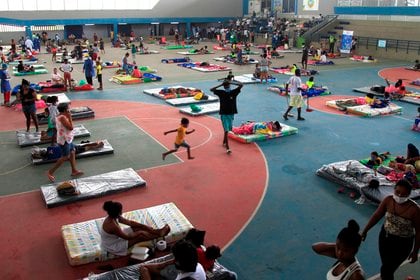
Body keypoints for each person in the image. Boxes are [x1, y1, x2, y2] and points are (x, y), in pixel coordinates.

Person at [361, 179, 420, 280]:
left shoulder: (415, 209)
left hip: (403, 244)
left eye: (404, 194)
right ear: (394, 189)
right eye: (398, 192)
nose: (400, 196)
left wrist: (415, 251)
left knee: (386, 270)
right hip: (385, 238)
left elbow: (419, 232)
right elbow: (377, 215)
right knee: (386, 267)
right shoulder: (388, 200)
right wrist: (365, 230)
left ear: (409, 194)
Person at [100, 201, 171, 256]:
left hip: (117, 237)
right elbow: (127, 237)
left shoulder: (114, 216)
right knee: (140, 236)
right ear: (118, 212)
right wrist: (140, 232)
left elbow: (130, 222)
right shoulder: (112, 225)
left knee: (137, 227)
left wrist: (143, 226)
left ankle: (158, 232)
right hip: (113, 245)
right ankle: (160, 234)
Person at [46, 103, 83, 182]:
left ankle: (74, 170)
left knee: (72, 152)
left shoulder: (59, 115)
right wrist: (70, 117)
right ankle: (50, 172)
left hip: (67, 138)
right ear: (65, 110)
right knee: (65, 157)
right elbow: (71, 127)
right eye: (68, 109)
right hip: (64, 140)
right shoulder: (63, 117)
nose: (69, 110)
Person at [210, 80, 243, 154]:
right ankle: (228, 148)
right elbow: (211, 89)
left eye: (227, 86)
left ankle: (224, 142)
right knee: (226, 131)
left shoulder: (233, 92)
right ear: (225, 87)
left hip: (231, 113)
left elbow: (241, 85)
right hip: (224, 114)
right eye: (227, 86)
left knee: (229, 130)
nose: (227, 87)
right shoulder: (222, 92)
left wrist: (228, 83)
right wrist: (222, 84)